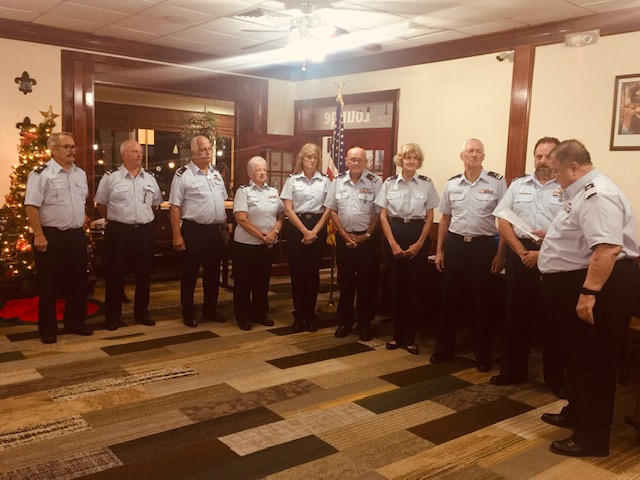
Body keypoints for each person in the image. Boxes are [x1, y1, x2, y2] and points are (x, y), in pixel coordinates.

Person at [538, 139, 640, 457]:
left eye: (556, 171)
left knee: (594, 363)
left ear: (574, 167)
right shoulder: (582, 192)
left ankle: (591, 438)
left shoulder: (598, 194)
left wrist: (588, 293)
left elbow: (608, 248)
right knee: (578, 358)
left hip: (599, 288)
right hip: (579, 284)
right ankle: (577, 414)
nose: (554, 177)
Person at [490, 137, 568, 397]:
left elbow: (572, 229)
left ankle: (556, 378)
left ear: (557, 158)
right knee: (515, 314)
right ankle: (513, 370)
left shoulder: (567, 187)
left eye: (548, 156)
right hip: (519, 254)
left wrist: (541, 253)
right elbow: (502, 220)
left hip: (554, 256)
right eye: (539, 156)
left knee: (552, 320)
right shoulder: (518, 185)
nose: (543, 161)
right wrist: (520, 251)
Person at [432, 138, 506, 371]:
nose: (474, 155)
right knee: (448, 301)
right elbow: (445, 219)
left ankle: (483, 355)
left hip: (483, 248)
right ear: (461, 156)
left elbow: (503, 221)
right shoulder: (452, 184)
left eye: (478, 152)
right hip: (455, 246)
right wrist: (439, 251)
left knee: (482, 303)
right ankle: (443, 350)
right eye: (469, 151)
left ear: (483, 157)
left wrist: (500, 254)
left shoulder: (497, 183)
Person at [24, 132, 92, 343]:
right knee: (48, 286)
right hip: (51, 237)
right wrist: (39, 235)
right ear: (53, 150)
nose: (72, 151)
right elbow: (31, 206)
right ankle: (48, 329)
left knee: (77, 283)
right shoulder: (41, 174)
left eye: (73, 147)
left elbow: (82, 202)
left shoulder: (79, 173)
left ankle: (75, 323)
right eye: (66, 147)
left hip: (75, 237)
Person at [375, 143, 439, 354]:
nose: (411, 161)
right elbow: (383, 215)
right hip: (395, 231)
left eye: (414, 158)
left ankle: (409, 337)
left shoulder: (426, 185)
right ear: (400, 160)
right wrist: (392, 243)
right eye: (407, 157)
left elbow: (430, 217)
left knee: (413, 289)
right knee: (395, 287)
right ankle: (396, 335)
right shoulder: (389, 183)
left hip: (417, 233)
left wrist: (420, 244)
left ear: (418, 162)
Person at [94, 139, 163, 331]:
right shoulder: (111, 177)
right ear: (123, 155)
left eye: (140, 152)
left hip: (144, 232)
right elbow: (100, 204)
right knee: (115, 276)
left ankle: (142, 313)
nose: (139, 155)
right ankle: (112, 317)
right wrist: (116, 220)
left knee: (143, 275)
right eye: (134, 152)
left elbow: (155, 203)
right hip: (118, 233)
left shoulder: (149, 178)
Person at [169, 135, 229, 328]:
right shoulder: (183, 175)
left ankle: (210, 309)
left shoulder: (216, 174)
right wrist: (177, 235)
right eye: (203, 150)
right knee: (190, 274)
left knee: (213, 274)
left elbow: (221, 203)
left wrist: (225, 228)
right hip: (194, 231)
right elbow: (175, 207)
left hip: (214, 231)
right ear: (193, 152)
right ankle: (188, 312)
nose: (207, 153)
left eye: (209, 149)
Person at [324, 146, 382, 341]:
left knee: (367, 284)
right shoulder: (338, 181)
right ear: (346, 161)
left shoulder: (375, 182)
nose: (356, 163)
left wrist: (366, 234)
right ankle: (345, 322)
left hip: (368, 242)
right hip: (344, 240)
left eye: (360, 160)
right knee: (345, 282)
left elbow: (378, 212)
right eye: (352, 159)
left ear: (366, 162)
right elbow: (332, 209)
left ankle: (365, 324)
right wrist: (343, 233)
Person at [280, 143, 331, 332]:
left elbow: (328, 210)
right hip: (296, 227)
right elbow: (288, 209)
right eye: (308, 157)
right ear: (301, 159)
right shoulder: (292, 180)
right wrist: (304, 231)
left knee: (312, 274)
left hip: (317, 227)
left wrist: (314, 232)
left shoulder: (325, 181)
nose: (311, 160)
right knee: (298, 273)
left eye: (315, 157)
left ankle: (310, 315)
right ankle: (299, 314)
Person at [232, 156, 284, 331]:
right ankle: (243, 316)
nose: (262, 173)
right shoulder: (243, 191)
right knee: (244, 282)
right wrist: (262, 236)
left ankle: (260, 313)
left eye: (264, 170)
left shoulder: (273, 192)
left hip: (267, 245)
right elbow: (241, 219)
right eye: (258, 170)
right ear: (249, 173)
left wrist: (274, 232)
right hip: (246, 245)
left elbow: (281, 215)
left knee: (262, 282)